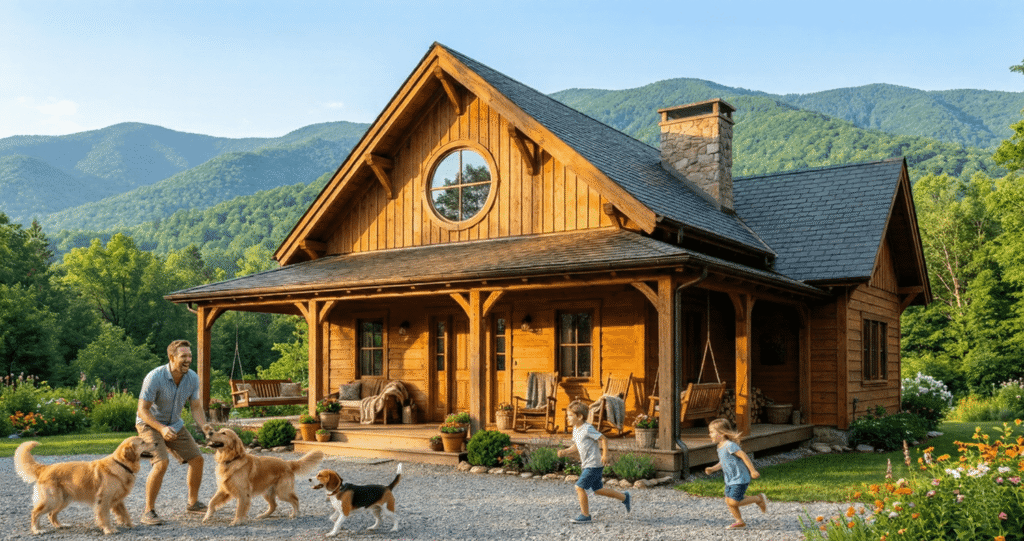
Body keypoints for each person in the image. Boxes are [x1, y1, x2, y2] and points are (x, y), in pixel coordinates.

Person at [135, 339, 212, 525]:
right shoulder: (155, 377)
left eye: (190, 356)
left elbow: (195, 407)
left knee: (197, 459)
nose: (188, 359)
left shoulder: (192, 378)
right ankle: (148, 511)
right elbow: (142, 410)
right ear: (172, 357)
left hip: (175, 424)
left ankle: (192, 503)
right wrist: (161, 428)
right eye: (183, 356)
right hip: (150, 425)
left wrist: (205, 426)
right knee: (161, 463)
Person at [557, 400, 631, 523]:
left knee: (579, 487)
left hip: (594, 465)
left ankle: (585, 516)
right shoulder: (576, 429)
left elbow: (604, 439)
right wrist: (565, 452)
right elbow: (577, 446)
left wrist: (605, 454)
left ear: (579, 416)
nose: (567, 418)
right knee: (598, 490)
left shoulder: (587, 428)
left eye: (570, 415)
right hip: (589, 465)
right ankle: (624, 497)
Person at [703, 418, 769, 529]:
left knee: (734, 501)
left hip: (740, 478)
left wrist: (752, 471)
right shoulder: (720, 447)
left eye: (712, 432)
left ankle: (759, 499)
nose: (710, 434)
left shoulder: (729, 445)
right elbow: (723, 463)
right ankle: (739, 521)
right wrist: (713, 469)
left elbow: (744, 456)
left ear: (722, 433)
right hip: (730, 479)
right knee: (728, 501)